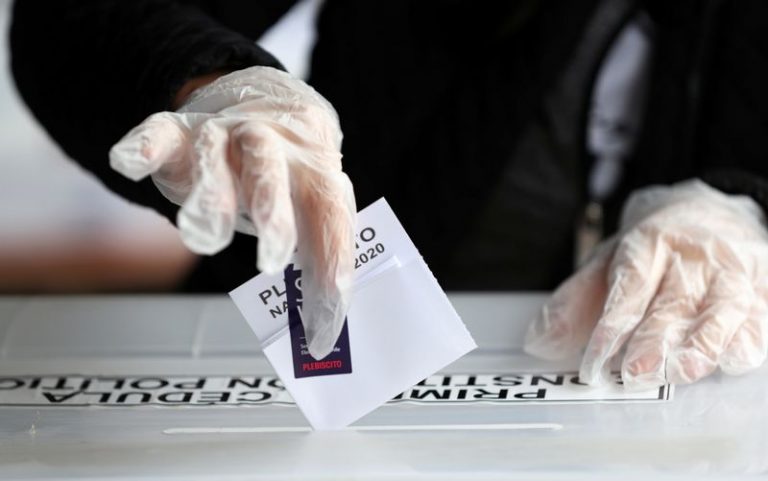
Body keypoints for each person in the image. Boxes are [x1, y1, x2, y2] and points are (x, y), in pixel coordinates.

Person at [10, 0, 768, 388]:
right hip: (307, 353)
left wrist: (744, 208)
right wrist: (211, 84)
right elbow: (72, 16)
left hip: (674, 384)